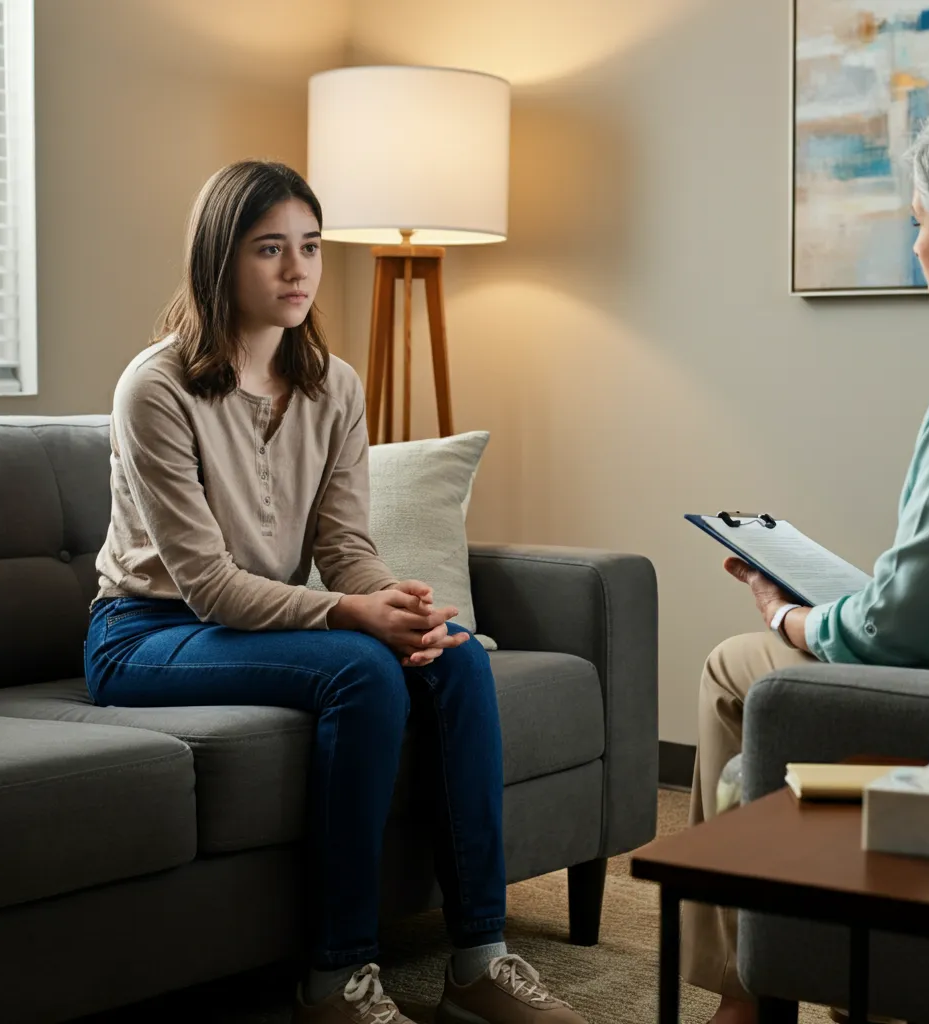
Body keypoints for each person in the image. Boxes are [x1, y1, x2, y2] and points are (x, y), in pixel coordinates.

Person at [84, 160, 587, 1024]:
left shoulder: (333, 384)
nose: (298, 271)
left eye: (310, 248)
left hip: (253, 625)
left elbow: (345, 546)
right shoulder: (156, 387)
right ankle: (336, 979)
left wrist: (401, 607)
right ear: (220, 260)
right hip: (146, 634)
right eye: (270, 249)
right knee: (361, 669)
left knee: (457, 660)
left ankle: (478, 962)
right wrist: (356, 618)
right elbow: (206, 586)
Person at [683, 90, 929, 1024]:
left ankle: (745, 990)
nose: (915, 249)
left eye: (918, 226)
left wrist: (787, 614)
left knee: (731, 666)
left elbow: (902, 636)